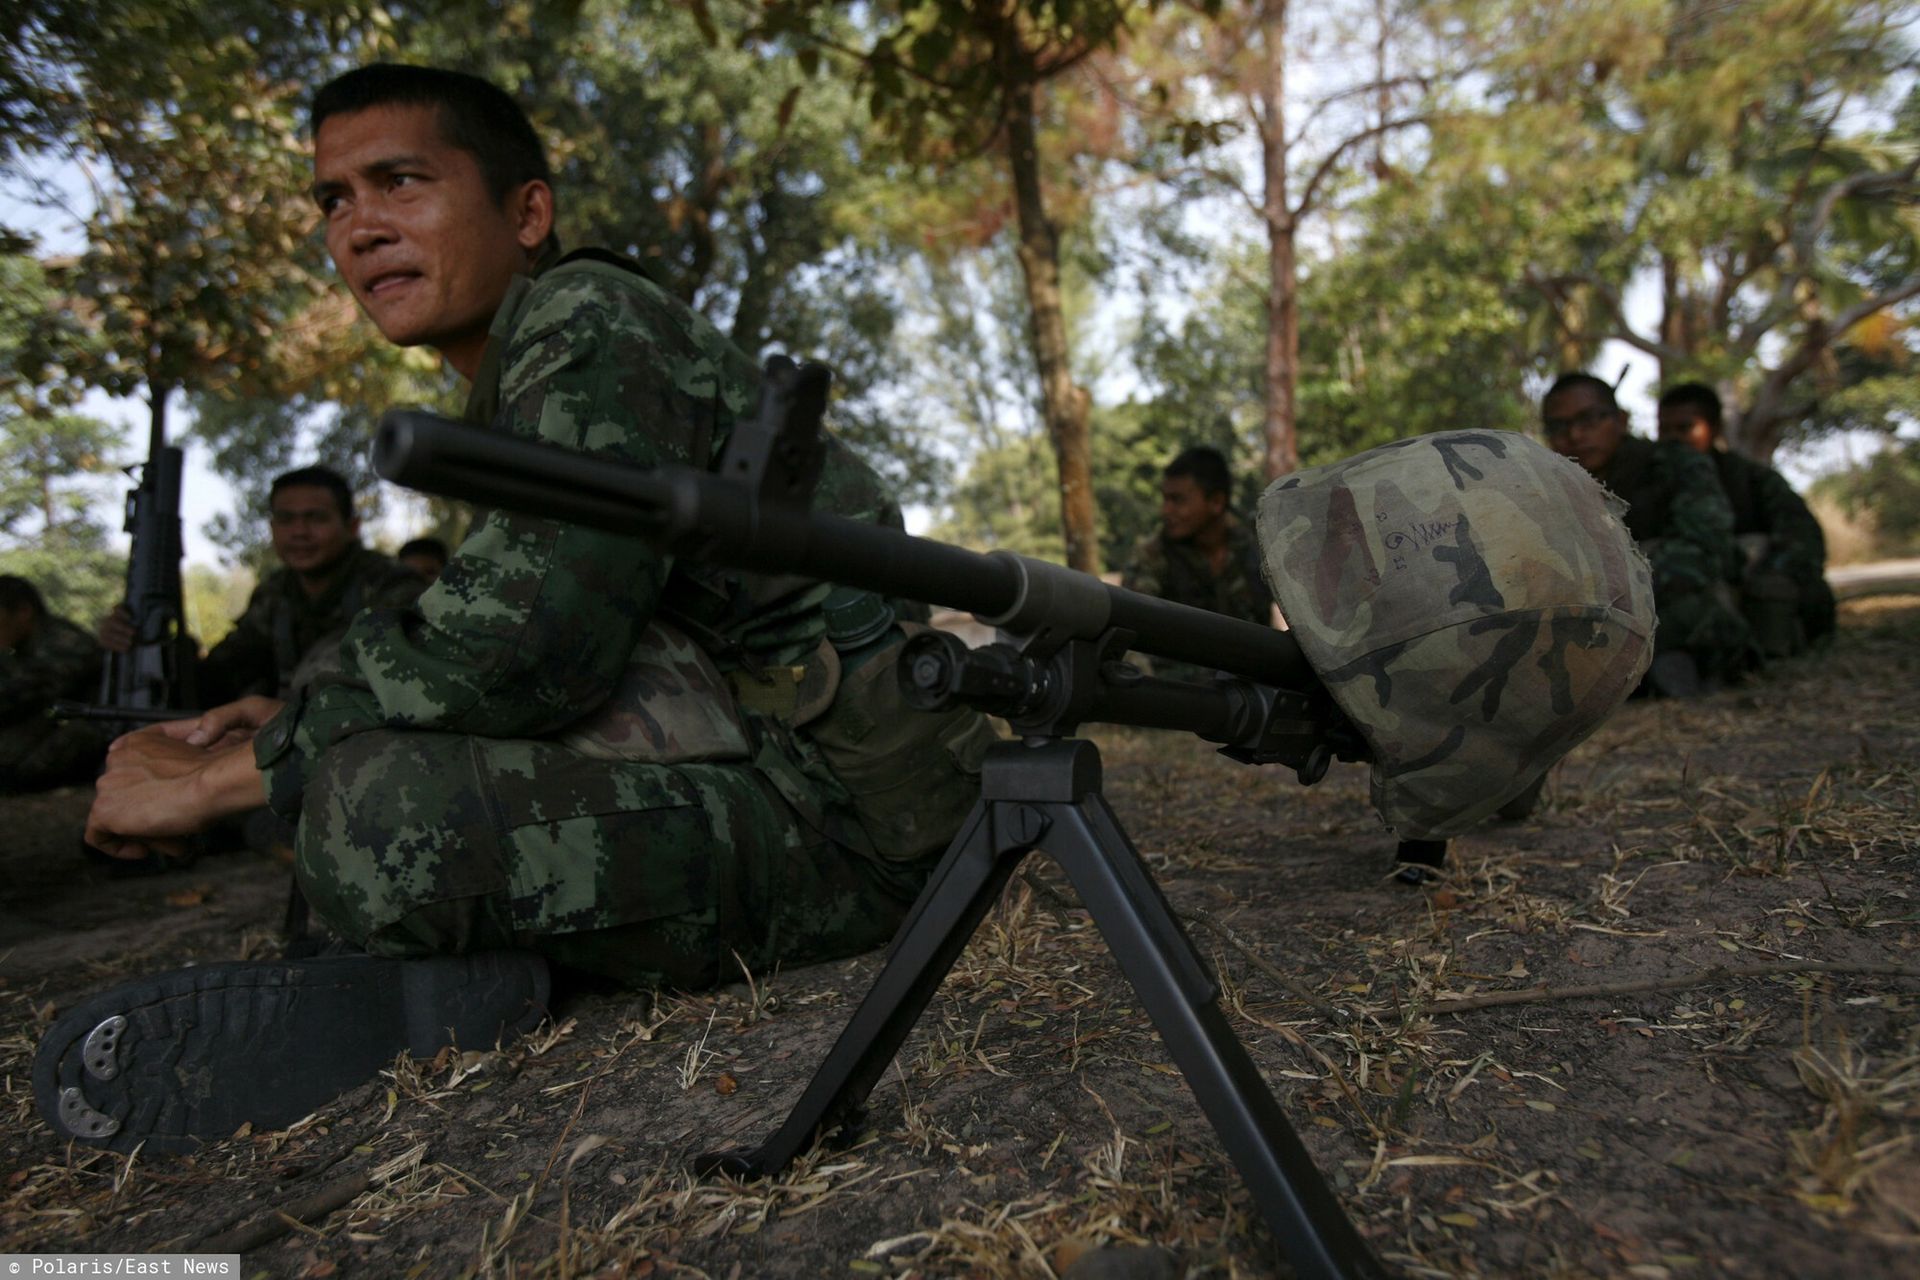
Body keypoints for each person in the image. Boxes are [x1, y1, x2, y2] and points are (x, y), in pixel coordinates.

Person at [38, 64, 990, 1154]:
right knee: (345, 772)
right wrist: (292, 711)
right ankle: (454, 971)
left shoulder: (589, 319)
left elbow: (532, 644)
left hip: (860, 830)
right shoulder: (524, 381)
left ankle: (433, 981)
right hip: (763, 761)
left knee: (370, 811)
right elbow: (495, 624)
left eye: (401, 181)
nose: (360, 230)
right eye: (335, 200)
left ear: (526, 212)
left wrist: (214, 783)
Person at [98, 466, 426, 703]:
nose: (299, 532)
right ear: (271, 528)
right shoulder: (275, 594)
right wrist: (154, 645)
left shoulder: (394, 587)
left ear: (352, 526)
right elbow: (221, 675)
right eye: (286, 519)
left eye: (316, 518)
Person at [1541, 373, 1757, 696]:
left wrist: (1612, 576)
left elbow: (1707, 547)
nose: (1574, 435)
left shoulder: (1674, 462)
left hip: (1668, 603)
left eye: (1588, 419)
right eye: (1559, 427)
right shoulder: (1550, 489)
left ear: (1621, 420)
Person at [1656, 382, 1836, 655]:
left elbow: (1803, 540)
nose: (1673, 440)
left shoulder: (1751, 479)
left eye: (1685, 428)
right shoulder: (1655, 483)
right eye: (1664, 430)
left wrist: (1756, 571)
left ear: (1714, 428)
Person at [1123, 446, 1275, 630]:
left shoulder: (1259, 548)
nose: (1165, 511)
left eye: (1177, 500)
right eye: (1165, 499)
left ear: (1216, 502)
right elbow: (1132, 629)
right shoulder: (1152, 556)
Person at [0, 576, 109, 793]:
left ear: (23, 612)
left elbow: (26, 696)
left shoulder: (64, 641)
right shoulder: (21, 646)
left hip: (92, 729)